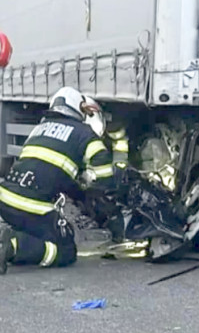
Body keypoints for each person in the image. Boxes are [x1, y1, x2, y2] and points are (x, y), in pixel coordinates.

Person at [0, 86, 115, 273]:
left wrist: (80, 195)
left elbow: (54, 172)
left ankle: (18, 245)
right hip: (32, 206)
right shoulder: (84, 133)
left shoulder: (38, 130)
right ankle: (12, 247)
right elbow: (101, 160)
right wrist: (105, 192)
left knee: (37, 234)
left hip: (6, 199)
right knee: (66, 250)